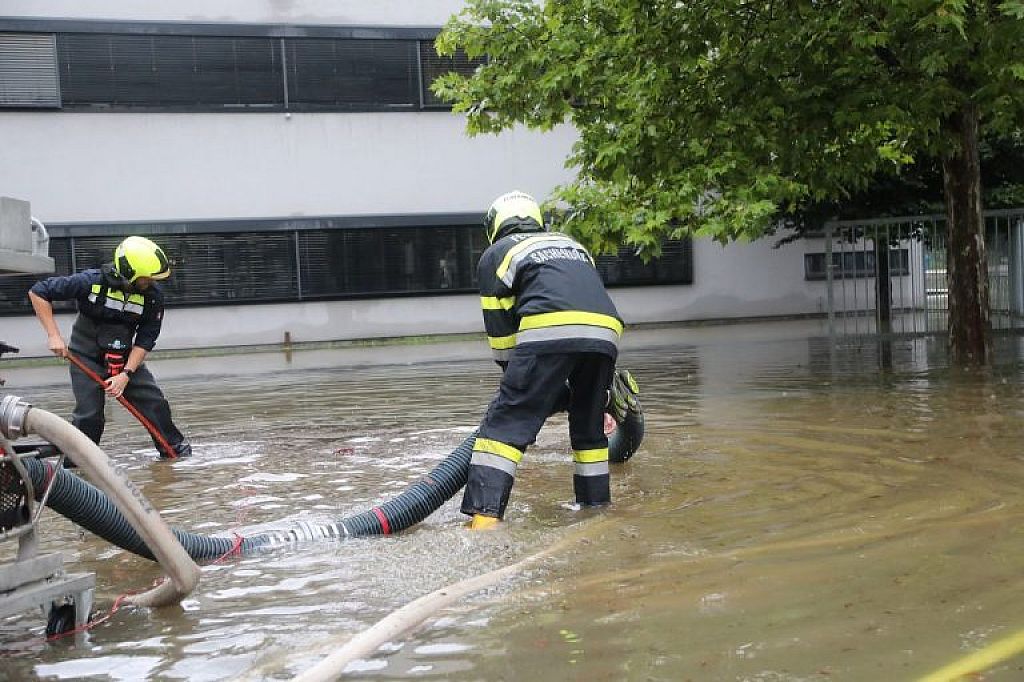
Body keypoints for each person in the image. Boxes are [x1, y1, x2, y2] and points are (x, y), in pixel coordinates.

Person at [462, 191, 624, 529]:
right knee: (588, 426)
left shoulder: (498, 253)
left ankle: (484, 522)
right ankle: (595, 508)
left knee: (504, 424)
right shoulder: (572, 245)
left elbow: (501, 329)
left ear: (495, 225)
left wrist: (517, 384)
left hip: (550, 325)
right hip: (606, 331)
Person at [28, 235, 192, 459]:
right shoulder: (90, 282)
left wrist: (126, 374)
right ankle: (80, 463)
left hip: (125, 360)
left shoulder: (152, 297)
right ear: (128, 271)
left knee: (155, 403)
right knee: (89, 415)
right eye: (146, 278)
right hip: (86, 357)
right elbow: (39, 292)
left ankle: (175, 453)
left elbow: (146, 339)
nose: (150, 283)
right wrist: (54, 336)